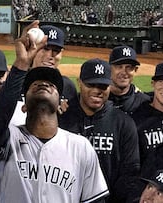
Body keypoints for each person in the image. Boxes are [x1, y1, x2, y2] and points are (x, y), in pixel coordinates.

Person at [0, 20, 109, 202]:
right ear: (23, 105)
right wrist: (21, 64)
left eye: (52, 85)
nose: (43, 84)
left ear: (61, 105)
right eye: (34, 85)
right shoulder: (10, 138)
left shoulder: (80, 148)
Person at [59, 58, 140, 203]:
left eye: (103, 86)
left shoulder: (123, 123)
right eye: (91, 85)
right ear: (79, 82)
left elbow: (130, 172)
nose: (97, 91)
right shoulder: (61, 118)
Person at [10, 24, 78, 125]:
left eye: (56, 50)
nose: (50, 55)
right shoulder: (16, 82)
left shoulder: (68, 87)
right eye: (45, 49)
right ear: (33, 49)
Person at [108, 45, 150, 115]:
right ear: (109, 69)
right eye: (119, 67)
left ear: (135, 70)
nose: (124, 72)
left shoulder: (144, 102)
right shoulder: (98, 99)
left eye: (129, 67)